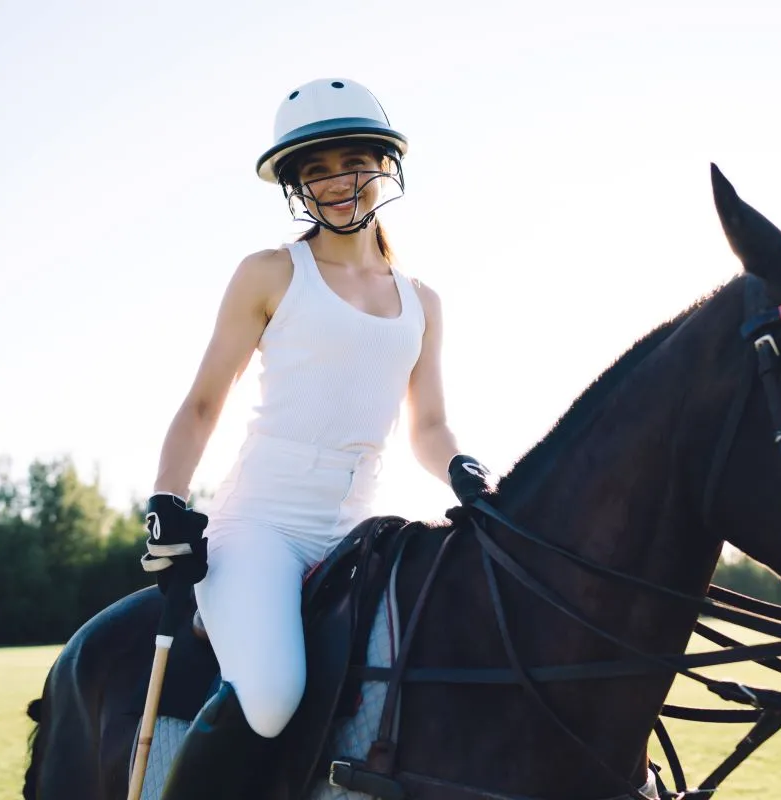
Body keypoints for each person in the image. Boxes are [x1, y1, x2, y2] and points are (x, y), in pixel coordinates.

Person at [138, 77, 494, 799]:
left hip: (361, 530)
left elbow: (426, 427)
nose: (337, 183)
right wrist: (167, 501)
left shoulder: (422, 301)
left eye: (353, 162)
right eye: (317, 169)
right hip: (262, 525)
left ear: (385, 167)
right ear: (297, 184)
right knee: (271, 699)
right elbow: (205, 402)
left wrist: (464, 471)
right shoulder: (271, 273)